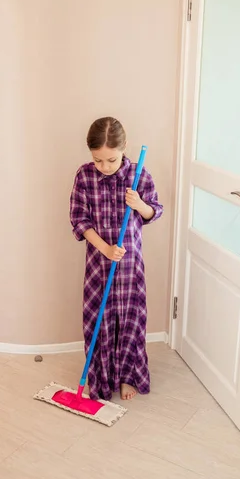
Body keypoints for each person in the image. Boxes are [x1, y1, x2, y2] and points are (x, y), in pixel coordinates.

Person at [70, 117, 163, 401]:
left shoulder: (139, 175)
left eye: (111, 160)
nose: (105, 167)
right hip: (99, 265)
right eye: (98, 160)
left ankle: (127, 377)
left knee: (130, 319)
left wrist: (139, 205)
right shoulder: (84, 176)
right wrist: (106, 249)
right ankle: (102, 378)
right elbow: (79, 221)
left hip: (130, 265)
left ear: (124, 148)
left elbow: (154, 212)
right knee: (100, 320)